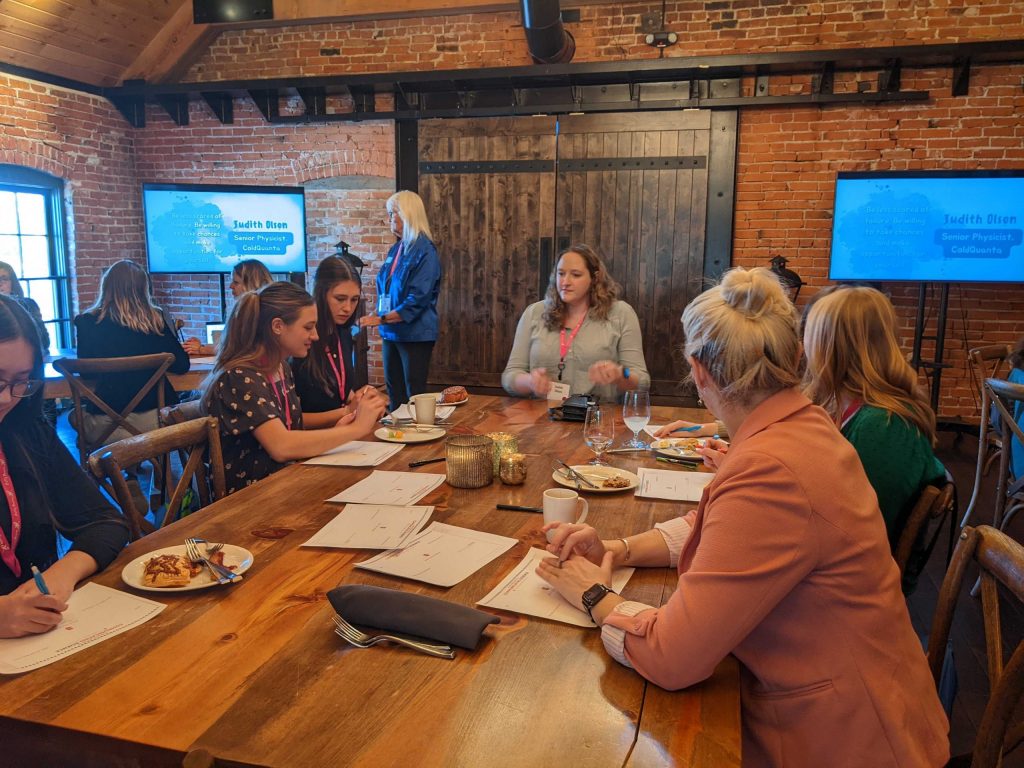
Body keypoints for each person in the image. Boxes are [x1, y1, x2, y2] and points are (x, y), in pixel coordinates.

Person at [536, 267, 948, 767]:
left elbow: (672, 658)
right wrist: (618, 549)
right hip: (874, 708)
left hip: (843, 740)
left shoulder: (772, 469)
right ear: (795, 358)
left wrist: (594, 594)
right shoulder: (804, 425)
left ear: (699, 372)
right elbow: (719, 528)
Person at [0, 295, 128, 638]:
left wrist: (62, 573)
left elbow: (106, 523)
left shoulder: (23, 429)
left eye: (21, 381)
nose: (7, 399)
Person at [204, 281, 386, 495]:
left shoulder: (280, 367)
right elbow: (282, 446)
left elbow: (288, 422)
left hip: (289, 482)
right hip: (252, 500)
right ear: (278, 326)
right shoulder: (238, 377)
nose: (316, 335)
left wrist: (346, 416)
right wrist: (356, 429)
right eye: (308, 327)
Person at [802, 286, 946, 549]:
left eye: (810, 336)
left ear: (832, 347)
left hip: (853, 574)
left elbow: (854, 530)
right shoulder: (848, 405)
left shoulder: (884, 427)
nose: (804, 347)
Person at [502, 244, 649, 403]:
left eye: (576, 275)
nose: (565, 282)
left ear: (595, 278)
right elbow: (510, 376)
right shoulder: (534, 313)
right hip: (542, 419)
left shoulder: (621, 314)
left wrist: (621, 375)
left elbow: (642, 381)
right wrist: (529, 382)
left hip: (598, 418)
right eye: (561, 274)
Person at [74, 260, 191, 445]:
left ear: (106, 286)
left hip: (104, 425)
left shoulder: (87, 322)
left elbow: (87, 373)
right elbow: (182, 366)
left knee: (74, 417)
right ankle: (157, 472)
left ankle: (112, 471)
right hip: (154, 422)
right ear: (144, 288)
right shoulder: (156, 321)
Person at [359, 191, 442, 410]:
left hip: (414, 334)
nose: (389, 219)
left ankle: (418, 438)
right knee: (393, 391)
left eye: (391, 214)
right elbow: (386, 289)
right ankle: (394, 436)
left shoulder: (425, 251)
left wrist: (383, 319)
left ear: (406, 214)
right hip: (391, 332)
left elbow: (418, 298)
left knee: (412, 394)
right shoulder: (396, 248)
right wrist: (379, 315)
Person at [292, 256, 371, 428]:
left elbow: (340, 390)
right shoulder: (301, 341)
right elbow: (290, 420)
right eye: (340, 299)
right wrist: (346, 411)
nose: (348, 308)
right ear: (321, 294)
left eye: (354, 299)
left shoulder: (343, 333)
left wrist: (361, 399)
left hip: (342, 432)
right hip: (312, 442)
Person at [184, 259, 273, 355]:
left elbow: (238, 350)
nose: (231, 286)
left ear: (252, 283)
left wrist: (201, 349)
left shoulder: (256, 313)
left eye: (236, 282)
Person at [0, 260, 50, 350]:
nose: (0, 284)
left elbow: (44, 341)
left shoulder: (29, 305)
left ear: (13, 283)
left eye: (4, 279)